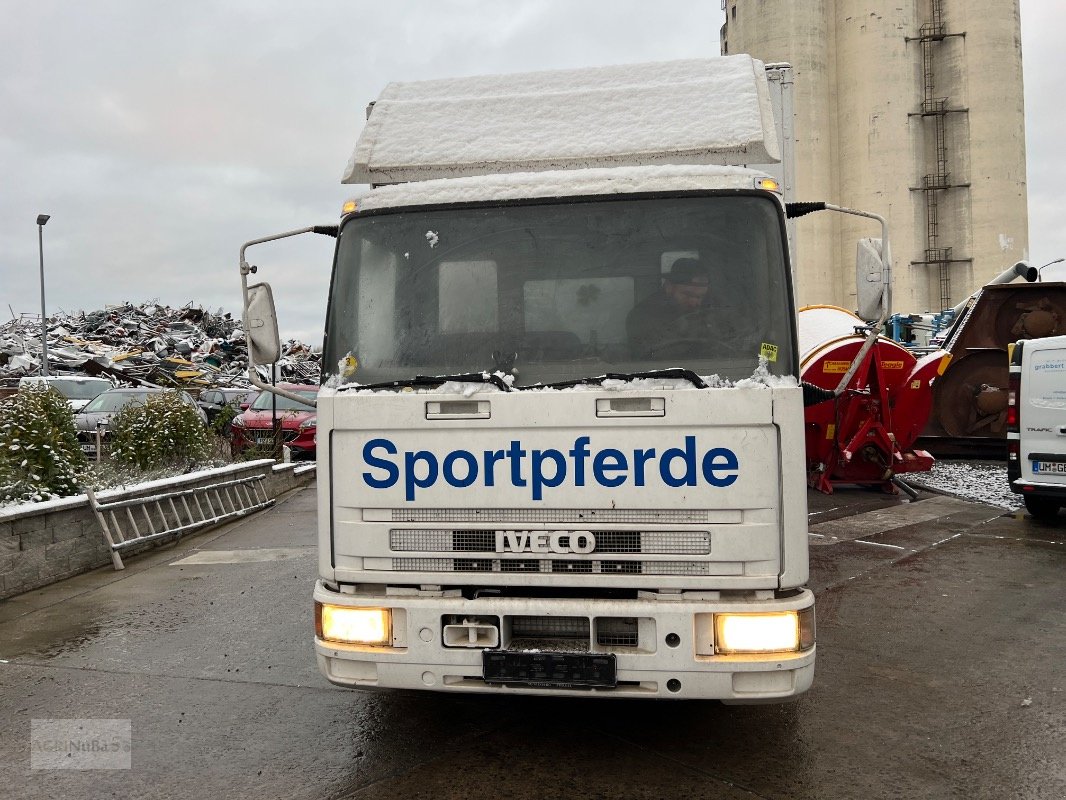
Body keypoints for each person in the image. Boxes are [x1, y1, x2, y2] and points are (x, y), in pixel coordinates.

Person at [626, 257, 721, 358]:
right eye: (687, 294)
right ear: (669, 287)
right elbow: (653, 355)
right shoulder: (642, 315)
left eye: (700, 296)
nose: (693, 302)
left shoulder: (713, 309)